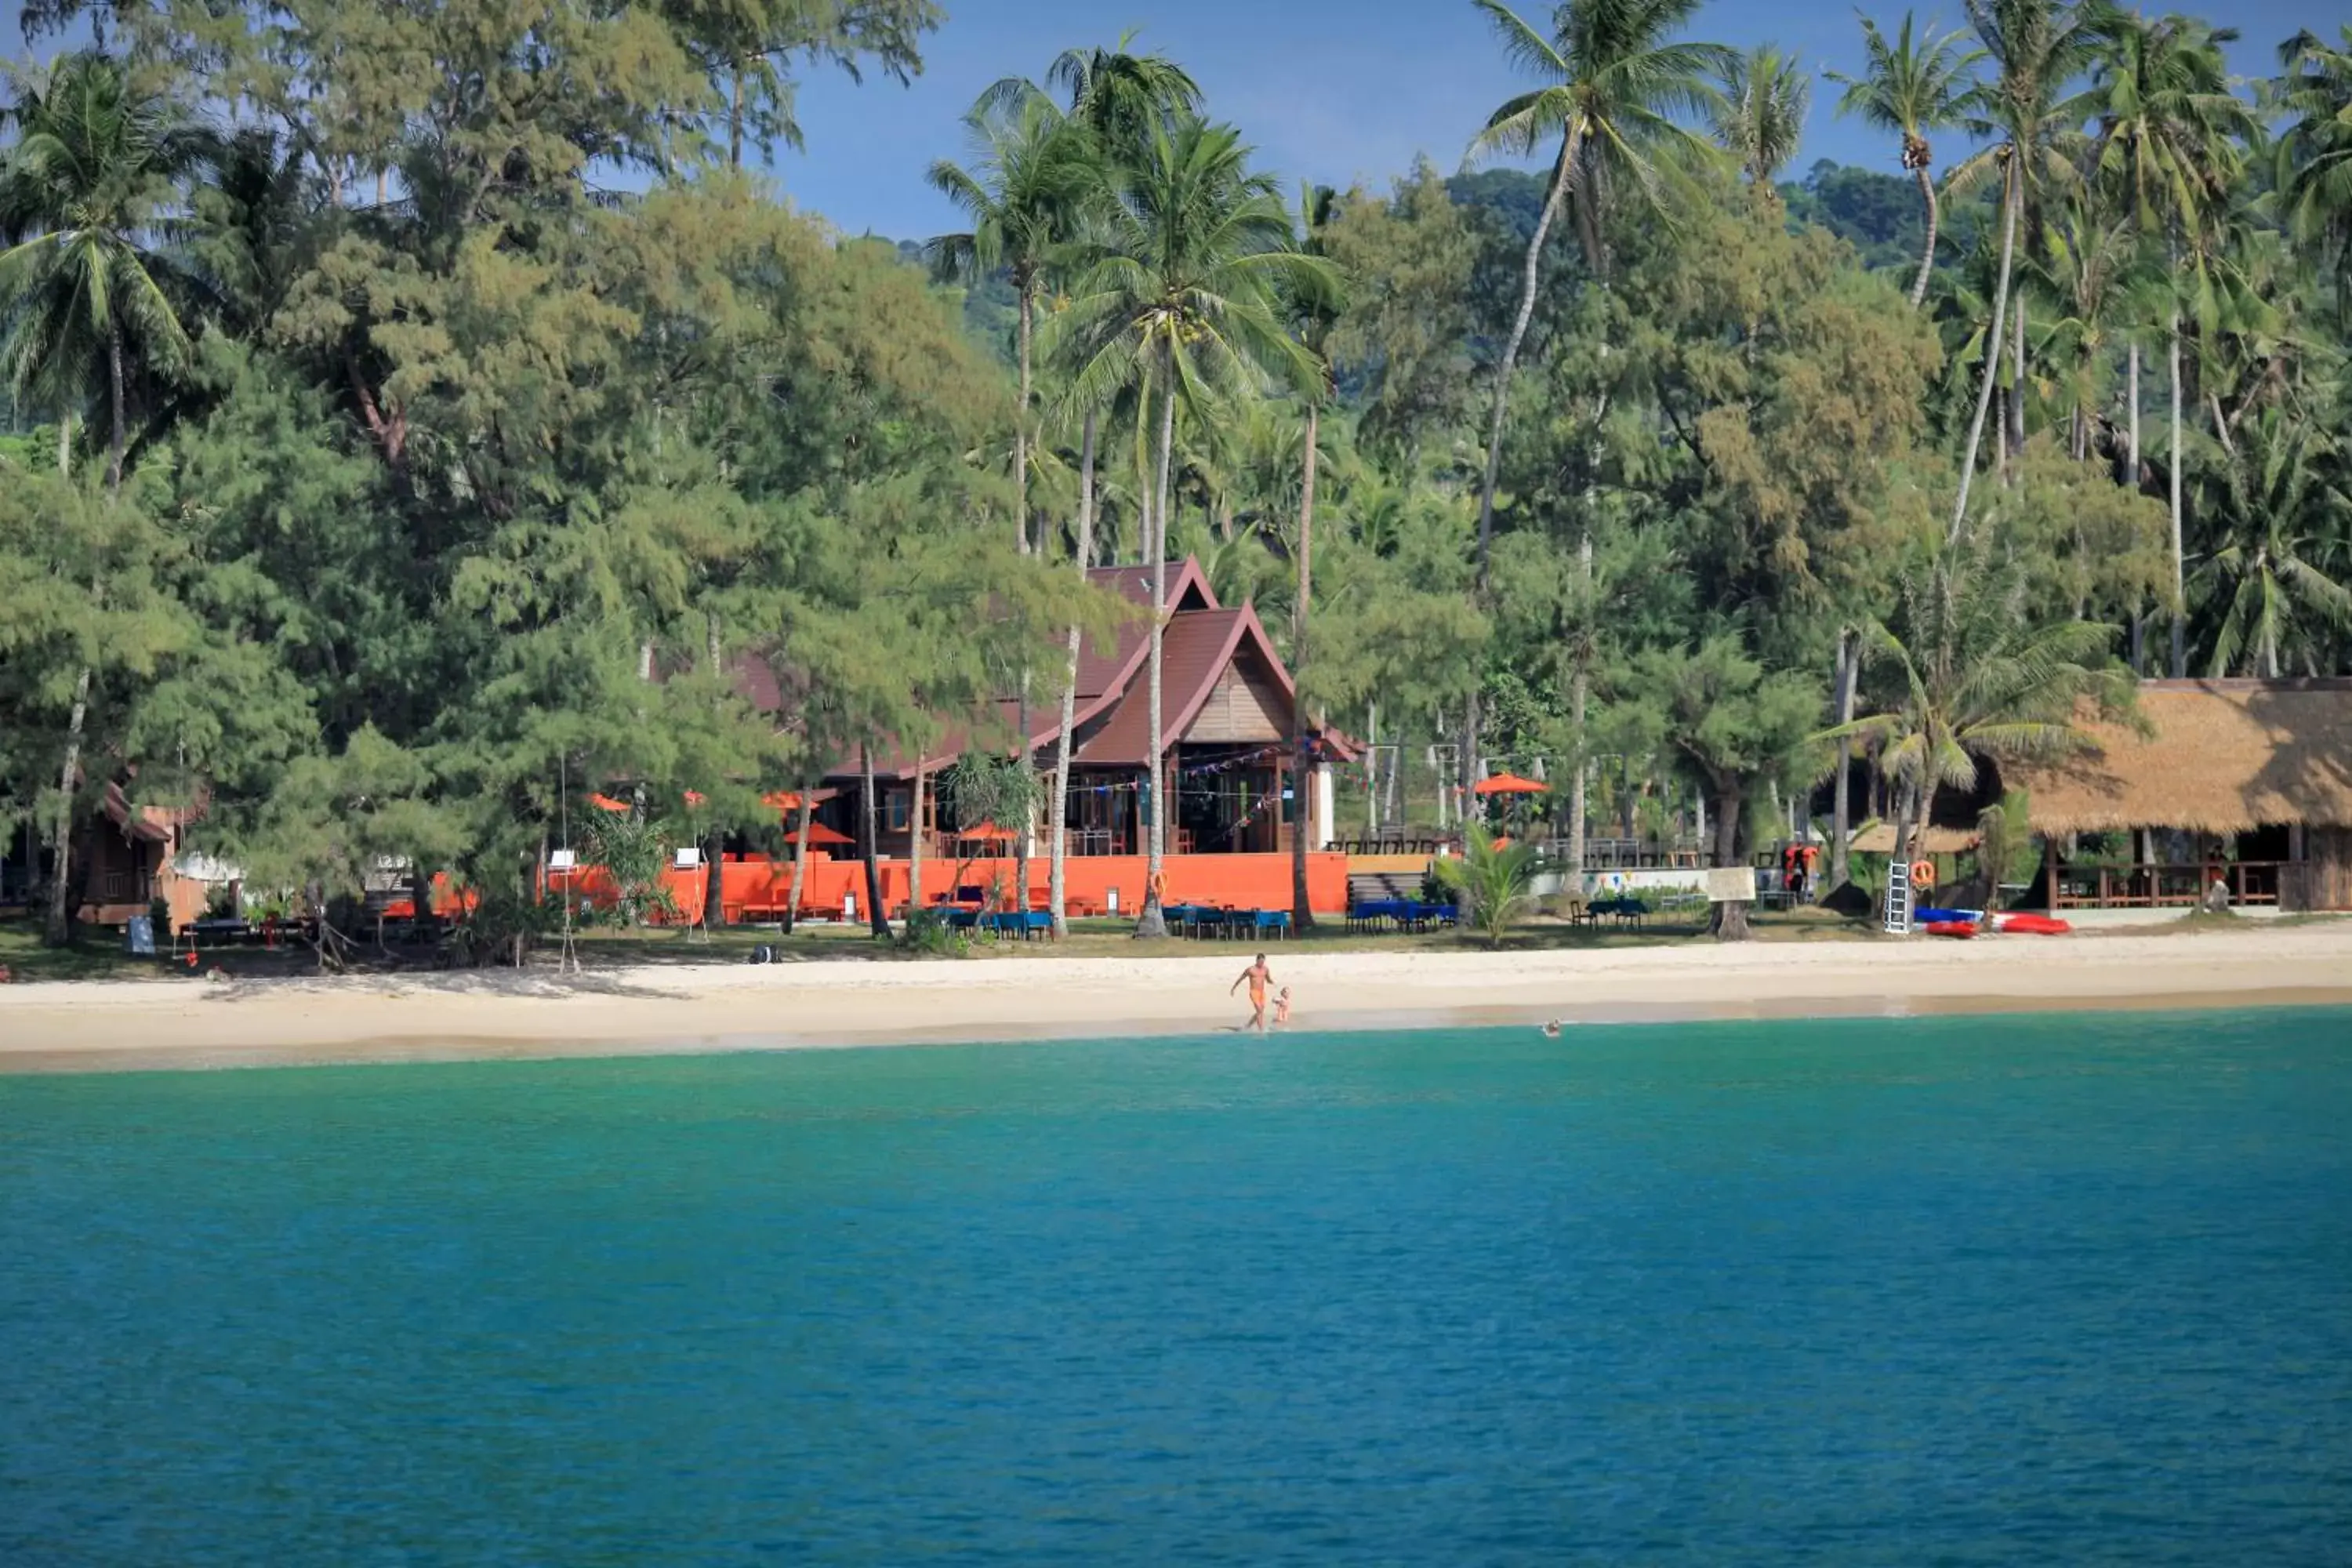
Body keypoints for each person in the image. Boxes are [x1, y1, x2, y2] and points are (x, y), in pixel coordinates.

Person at [1230, 953, 1273, 1033]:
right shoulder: (1250, 970)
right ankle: (1255, 1027)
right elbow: (1241, 979)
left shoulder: (1265, 969)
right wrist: (1233, 988)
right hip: (1254, 992)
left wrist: (1273, 982)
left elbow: (1268, 979)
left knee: (1260, 1011)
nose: (1261, 964)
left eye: (1263, 962)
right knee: (1259, 1010)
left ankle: (1254, 1027)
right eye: (1260, 962)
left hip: (1262, 992)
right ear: (1257, 960)